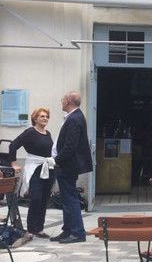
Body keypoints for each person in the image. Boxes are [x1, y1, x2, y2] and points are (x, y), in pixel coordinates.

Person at [50, 92, 93, 244]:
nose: (61, 101)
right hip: (67, 165)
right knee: (66, 199)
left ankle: (77, 232)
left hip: (67, 165)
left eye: (63, 99)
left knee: (70, 199)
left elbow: (70, 146)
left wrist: (56, 160)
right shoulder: (74, 117)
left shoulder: (74, 119)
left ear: (68, 101)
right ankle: (68, 230)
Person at [9, 107, 55, 238]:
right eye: (42, 116)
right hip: (35, 169)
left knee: (44, 199)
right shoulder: (30, 132)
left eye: (47, 116)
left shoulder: (48, 133)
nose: (45, 118)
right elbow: (13, 145)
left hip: (47, 169)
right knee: (36, 198)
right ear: (35, 118)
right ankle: (31, 229)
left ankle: (39, 229)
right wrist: (13, 163)